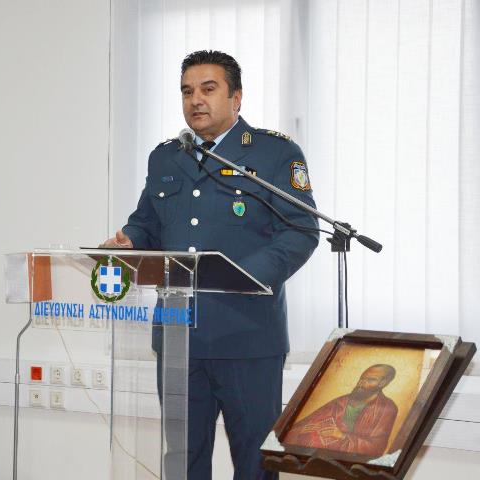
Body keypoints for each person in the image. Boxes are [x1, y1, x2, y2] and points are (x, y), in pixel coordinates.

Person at [103, 50, 319, 480]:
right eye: (187, 92)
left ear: (236, 97)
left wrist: (245, 275)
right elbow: (147, 223)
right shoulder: (167, 157)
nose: (195, 100)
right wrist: (130, 240)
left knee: (255, 464)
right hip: (178, 336)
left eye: (208, 89)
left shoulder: (274, 153)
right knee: (183, 460)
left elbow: (301, 231)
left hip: (248, 335)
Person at [284, 364, 398, 457]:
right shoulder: (342, 401)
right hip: (324, 452)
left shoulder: (387, 408)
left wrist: (342, 436)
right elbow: (304, 424)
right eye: (362, 378)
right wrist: (304, 428)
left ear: (382, 383)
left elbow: (377, 448)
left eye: (370, 380)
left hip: (352, 460)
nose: (361, 383)